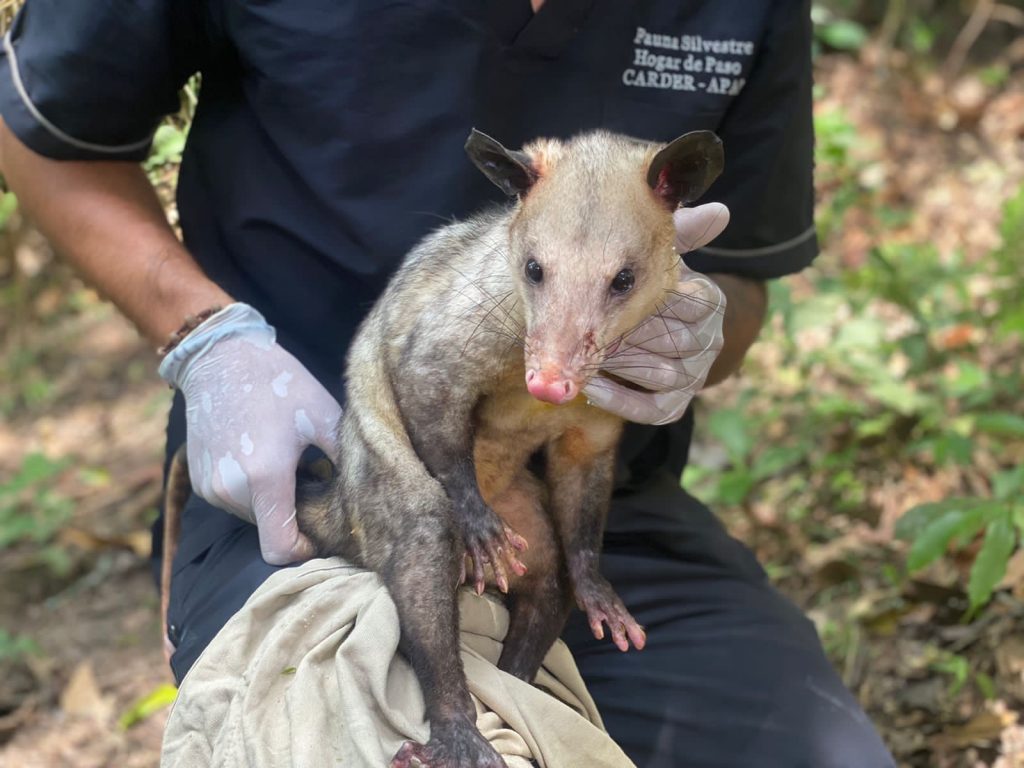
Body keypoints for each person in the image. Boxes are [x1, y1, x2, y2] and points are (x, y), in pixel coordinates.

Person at [0, 1, 895, 765]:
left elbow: (739, 276)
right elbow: (49, 138)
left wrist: (687, 334)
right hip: (311, 469)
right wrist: (206, 339)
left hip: (601, 498)